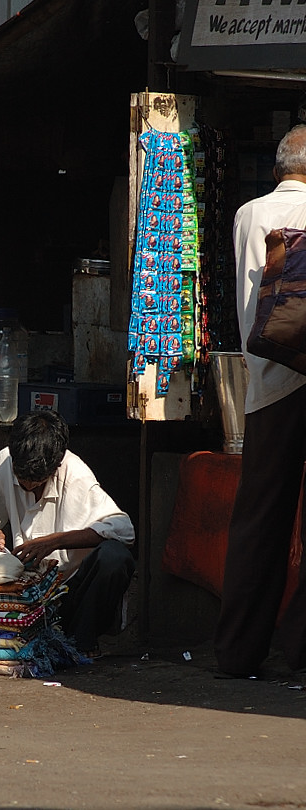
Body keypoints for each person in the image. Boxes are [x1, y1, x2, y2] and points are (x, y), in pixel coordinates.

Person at [214, 125, 306, 678]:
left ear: (278, 169)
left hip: (268, 382)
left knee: (258, 521)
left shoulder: (250, 214)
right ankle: (300, 648)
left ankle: (238, 652)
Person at [0, 411, 135, 657]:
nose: (27, 487)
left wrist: (55, 541)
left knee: (114, 557)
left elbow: (124, 530)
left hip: (68, 595)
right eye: (22, 480)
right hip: (24, 594)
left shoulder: (76, 474)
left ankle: (81, 642)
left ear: (57, 464)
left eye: (37, 481)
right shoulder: (3, 463)